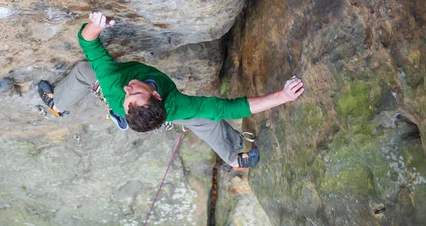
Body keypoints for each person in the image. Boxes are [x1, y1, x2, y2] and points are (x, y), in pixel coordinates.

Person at [38, 12, 305, 170]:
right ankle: (57, 105)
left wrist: (96, 25)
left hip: (127, 106)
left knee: (87, 71)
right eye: (133, 94)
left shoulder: (117, 85)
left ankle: (234, 158)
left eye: (129, 95)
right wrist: (283, 96)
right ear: (155, 96)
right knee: (204, 118)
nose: (126, 87)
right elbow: (230, 108)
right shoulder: (168, 102)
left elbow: (88, 41)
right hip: (141, 108)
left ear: (156, 96)